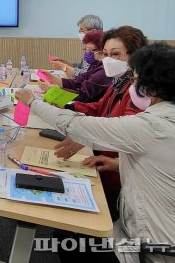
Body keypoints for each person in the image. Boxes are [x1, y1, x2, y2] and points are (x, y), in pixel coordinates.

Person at [15, 43, 175, 263]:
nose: (132, 84)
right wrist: (119, 164)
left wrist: (31, 101)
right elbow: (170, 167)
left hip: (157, 248)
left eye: (135, 79)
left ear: (151, 86)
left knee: (67, 239)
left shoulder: (154, 127)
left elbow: (77, 126)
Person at [53, 26, 149, 220]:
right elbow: (98, 107)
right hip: (97, 159)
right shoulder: (118, 82)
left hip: (115, 175)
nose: (108, 60)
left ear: (136, 57)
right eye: (105, 54)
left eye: (116, 54)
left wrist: (87, 138)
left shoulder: (139, 93)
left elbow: (123, 132)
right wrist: (70, 106)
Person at [38, 30, 112, 103]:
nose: (87, 53)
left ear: (103, 50)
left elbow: (82, 95)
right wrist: (52, 78)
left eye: (91, 50)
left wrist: (51, 89)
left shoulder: (103, 72)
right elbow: (78, 82)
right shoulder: (95, 64)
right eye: (86, 49)